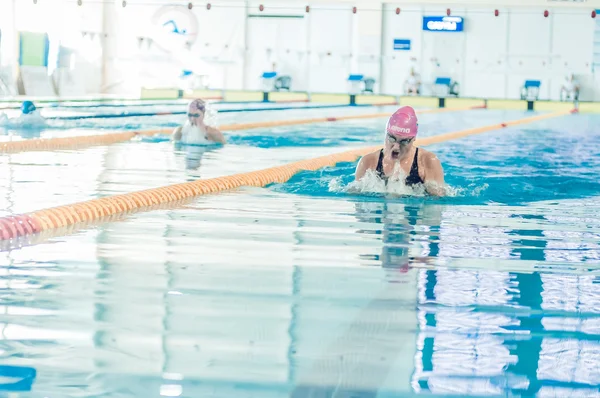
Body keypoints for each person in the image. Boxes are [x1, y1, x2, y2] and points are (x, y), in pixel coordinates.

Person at [354, 106, 446, 196]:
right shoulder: (368, 163)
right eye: (392, 138)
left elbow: (437, 203)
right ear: (385, 133)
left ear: (414, 138)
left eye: (404, 141)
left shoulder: (427, 162)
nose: (396, 147)